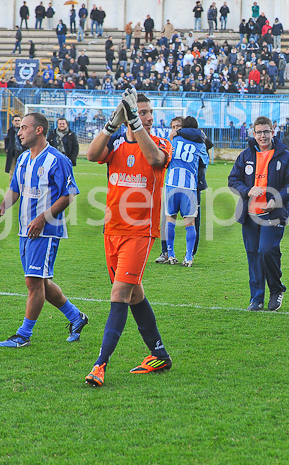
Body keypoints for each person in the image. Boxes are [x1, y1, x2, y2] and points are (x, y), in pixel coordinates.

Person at [83, 89, 173, 387]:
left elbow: (155, 159)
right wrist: (112, 124)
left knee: (120, 294)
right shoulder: (117, 147)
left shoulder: (161, 143)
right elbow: (91, 154)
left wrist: (133, 121)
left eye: (148, 113)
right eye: (140, 112)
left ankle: (100, 365)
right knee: (134, 295)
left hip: (139, 234)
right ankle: (159, 353)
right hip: (112, 232)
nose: (146, 117)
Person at [0, 113, 88, 348]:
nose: (20, 131)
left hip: (45, 231)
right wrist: (4, 205)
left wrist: (43, 219)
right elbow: (15, 188)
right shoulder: (24, 158)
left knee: (33, 283)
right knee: (40, 282)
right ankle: (76, 317)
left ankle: (23, 335)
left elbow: (68, 195)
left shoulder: (57, 160)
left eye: (24, 127)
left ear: (39, 131)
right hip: (25, 229)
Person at [227, 116, 289, 312]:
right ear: (254, 133)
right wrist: (247, 190)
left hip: (273, 215)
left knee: (267, 250)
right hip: (250, 215)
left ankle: (276, 291)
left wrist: (275, 200)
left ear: (273, 131)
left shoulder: (284, 156)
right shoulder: (246, 155)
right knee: (253, 255)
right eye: (259, 132)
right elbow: (232, 180)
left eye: (266, 131)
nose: (262, 136)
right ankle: (256, 298)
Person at [164, 116, 209, 267]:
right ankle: (188, 257)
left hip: (171, 184)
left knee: (170, 220)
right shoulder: (200, 143)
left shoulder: (174, 139)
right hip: (189, 186)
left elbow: (165, 157)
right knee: (190, 223)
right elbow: (205, 162)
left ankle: (170, 255)